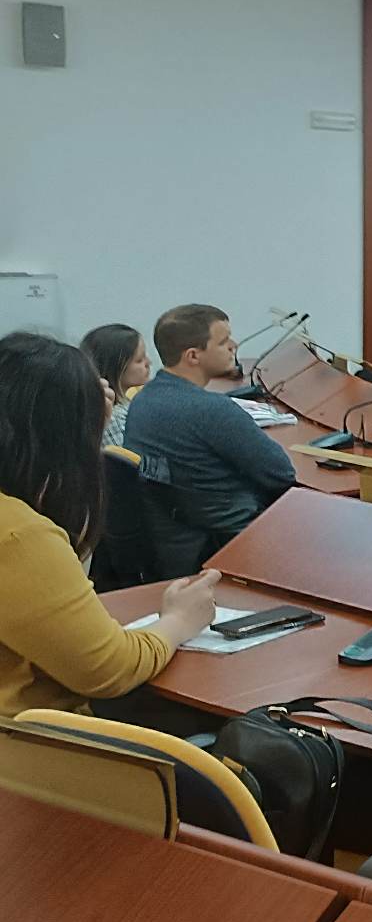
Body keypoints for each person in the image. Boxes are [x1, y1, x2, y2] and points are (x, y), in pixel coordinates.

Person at [0, 332, 219, 717]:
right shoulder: (19, 535)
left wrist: (84, 426)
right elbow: (109, 670)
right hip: (33, 740)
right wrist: (179, 621)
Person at [123, 304, 298, 563]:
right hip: (233, 543)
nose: (234, 346)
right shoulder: (212, 410)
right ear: (193, 356)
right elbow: (281, 473)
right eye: (223, 342)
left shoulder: (143, 399)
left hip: (177, 543)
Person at [81, 323, 151, 448]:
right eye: (140, 360)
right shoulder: (114, 418)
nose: (148, 363)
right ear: (116, 368)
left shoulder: (133, 404)